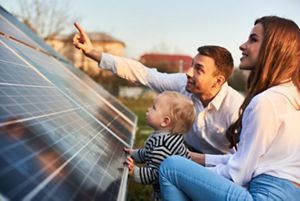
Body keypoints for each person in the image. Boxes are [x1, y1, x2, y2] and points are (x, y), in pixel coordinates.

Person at [158, 16, 300, 201]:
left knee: (171, 167)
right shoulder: (292, 95)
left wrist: (192, 175)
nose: (242, 45)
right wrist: (191, 158)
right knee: (181, 164)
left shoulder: (266, 102)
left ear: (274, 48)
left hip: (264, 196)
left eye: (253, 39)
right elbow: (243, 158)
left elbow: (238, 173)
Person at [73, 23, 244, 154]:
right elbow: (143, 73)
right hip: (185, 154)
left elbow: (240, 161)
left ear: (217, 81)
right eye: (191, 65)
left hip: (219, 169)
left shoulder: (236, 108)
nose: (189, 73)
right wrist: (92, 52)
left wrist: (189, 158)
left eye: (199, 69)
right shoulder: (183, 84)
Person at [123, 91, 195, 200]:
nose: (148, 109)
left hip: (171, 194)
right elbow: (149, 153)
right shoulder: (164, 137)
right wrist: (134, 154)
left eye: (153, 108)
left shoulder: (163, 146)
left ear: (165, 122)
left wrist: (135, 172)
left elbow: (156, 174)